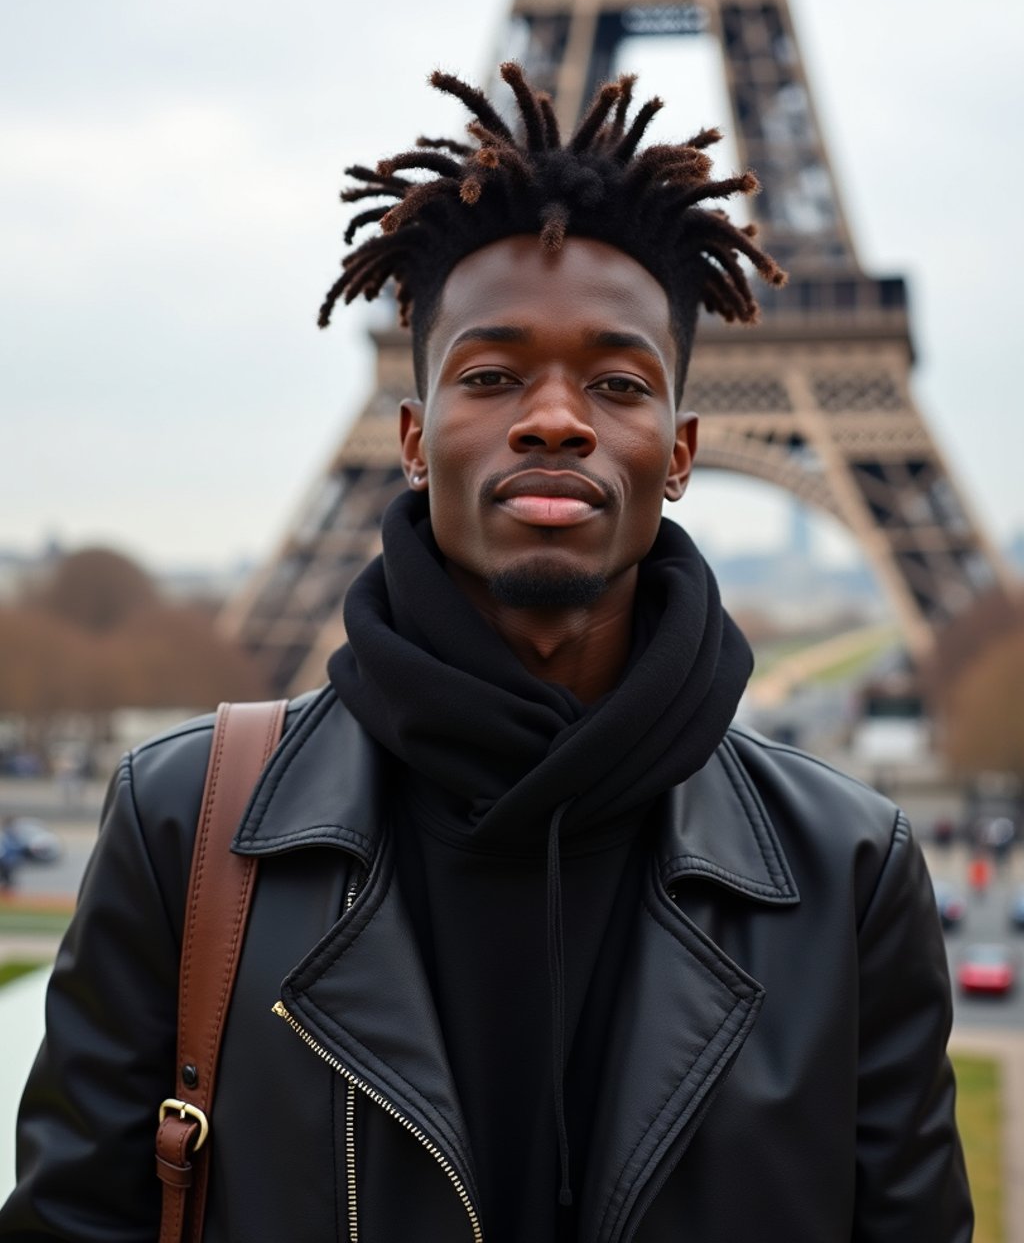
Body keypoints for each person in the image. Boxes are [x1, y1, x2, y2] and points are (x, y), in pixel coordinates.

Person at [1, 65, 972, 1240]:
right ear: (411, 436)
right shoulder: (179, 827)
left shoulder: (854, 871)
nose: (554, 416)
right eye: (492, 375)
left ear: (679, 450)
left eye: (617, 382)